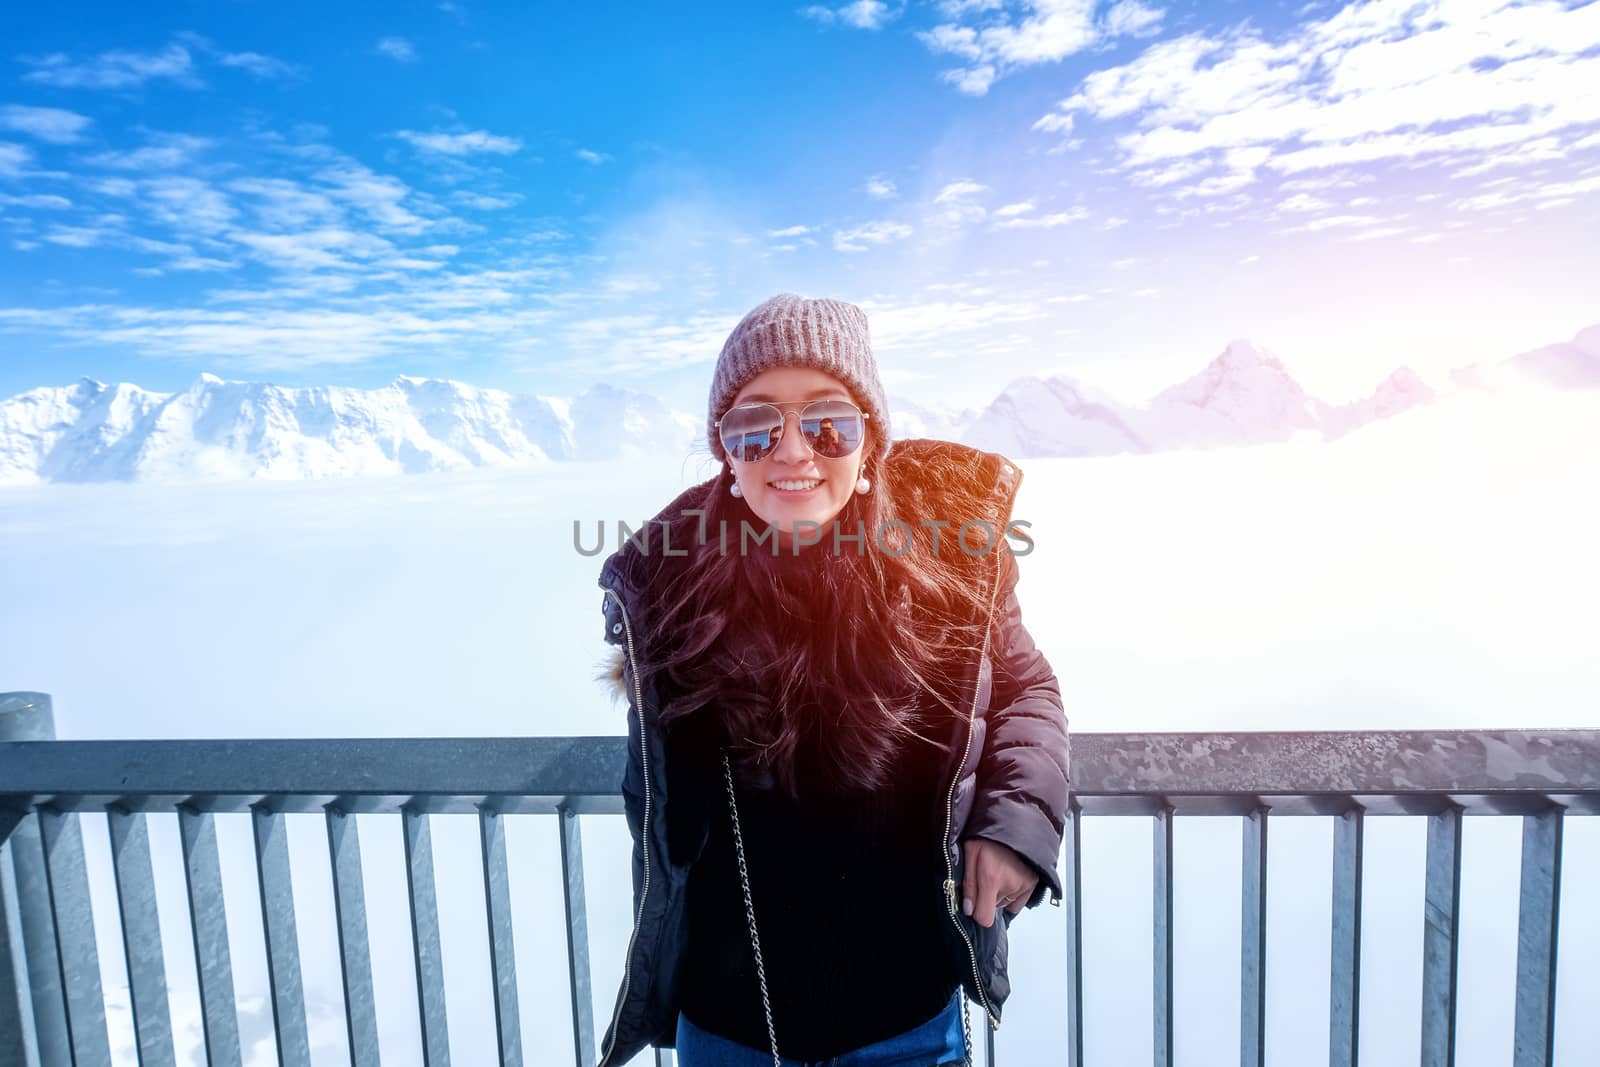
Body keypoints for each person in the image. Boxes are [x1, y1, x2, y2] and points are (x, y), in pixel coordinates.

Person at [595, 293, 1069, 1067]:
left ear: (869, 441)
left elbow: (1025, 689)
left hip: (908, 1026)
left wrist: (1013, 824)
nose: (790, 450)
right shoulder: (671, 587)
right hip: (730, 1031)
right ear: (727, 453)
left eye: (826, 423)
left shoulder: (950, 566)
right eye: (753, 426)